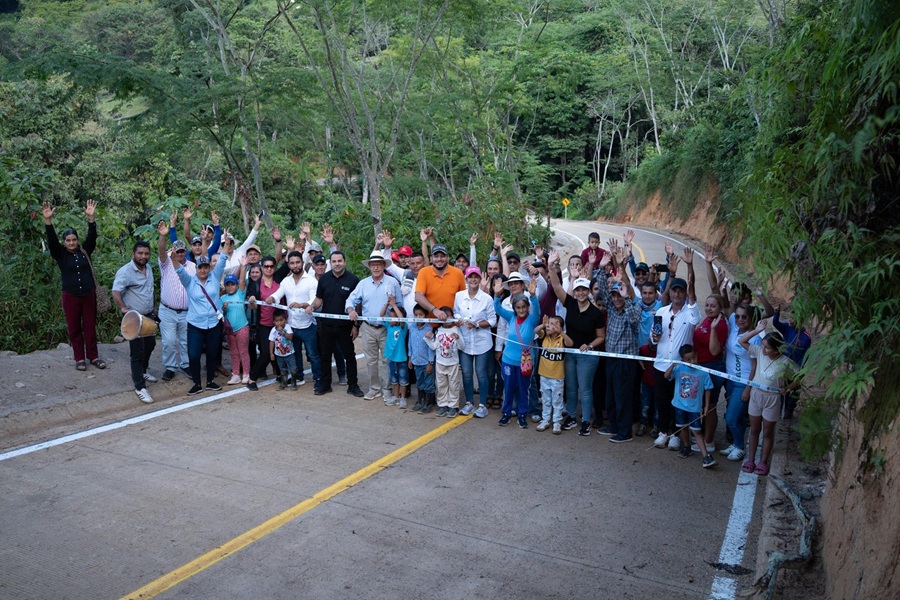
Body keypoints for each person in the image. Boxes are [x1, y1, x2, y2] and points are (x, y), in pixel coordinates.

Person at [42, 199, 106, 371]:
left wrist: (91, 219)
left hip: (88, 294)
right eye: (68, 240)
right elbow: (52, 241)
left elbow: (92, 238)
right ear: (65, 242)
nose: (71, 243)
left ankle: (93, 356)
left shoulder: (85, 251)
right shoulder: (60, 254)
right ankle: (79, 358)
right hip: (70, 296)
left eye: (74, 240)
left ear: (77, 240)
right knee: (74, 327)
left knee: (90, 326)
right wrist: (48, 221)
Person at [547, 253, 606, 436]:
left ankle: (586, 421)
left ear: (588, 292)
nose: (580, 293)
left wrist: (589, 345)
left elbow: (601, 336)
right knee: (571, 387)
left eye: (583, 290)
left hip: (587, 355)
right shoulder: (570, 304)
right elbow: (556, 286)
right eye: (578, 289)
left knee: (585, 389)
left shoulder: (595, 313)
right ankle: (571, 416)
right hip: (570, 353)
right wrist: (550, 265)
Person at [651, 247, 702, 450]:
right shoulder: (661, 312)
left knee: (678, 403)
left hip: (681, 367)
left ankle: (676, 434)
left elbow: (692, 291)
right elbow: (654, 339)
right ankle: (663, 431)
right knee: (662, 401)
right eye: (674, 290)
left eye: (681, 290)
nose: (677, 293)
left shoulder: (690, 314)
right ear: (670, 292)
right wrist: (654, 338)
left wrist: (690, 266)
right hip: (661, 365)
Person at [593, 250, 642, 443]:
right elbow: (603, 292)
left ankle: (624, 431)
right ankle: (612, 425)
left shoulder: (632, 308)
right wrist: (602, 270)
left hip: (626, 362)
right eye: (614, 296)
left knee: (623, 398)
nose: (615, 299)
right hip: (611, 360)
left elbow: (635, 320)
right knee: (611, 396)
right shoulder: (612, 309)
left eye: (618, 295)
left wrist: (627, 296)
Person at [739, 321, 799, 476]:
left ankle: (763, 461)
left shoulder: (785, 362)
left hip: (772, 398)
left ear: (777, 349)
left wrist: (788, 388)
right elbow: (741, 341)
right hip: (756, 395)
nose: (763, 349)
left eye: (767, 347)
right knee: (754, 429)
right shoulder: (759, 351)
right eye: (763, 345)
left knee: (767, 431)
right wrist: (757, 330)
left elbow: (800, 375)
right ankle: (751, 459)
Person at [346, 251, 402, 401]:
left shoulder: (393, 282)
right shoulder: (363, 284)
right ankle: (374, 388)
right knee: (370, 360)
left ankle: (387, 389)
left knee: (386, 359)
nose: (376, 267)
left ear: (384, 265)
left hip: (386, 328)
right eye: (373, 265)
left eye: (378, 264)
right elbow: (351, 299)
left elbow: (400, 304)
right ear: (369, 267)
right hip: (368, 327)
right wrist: (351, 310)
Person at [308, 251, 364, 397]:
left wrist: (356, 325)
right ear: (330, 263)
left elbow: (358, 305)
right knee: (325, 356)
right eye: (334, 261)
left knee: (350, 357)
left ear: (344, 261)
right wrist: (312, 306)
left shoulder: (353, 280)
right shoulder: (324, 279)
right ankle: (326, 385)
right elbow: (319, 299)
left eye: (340, 261)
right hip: (326, 326)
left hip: (345, 327)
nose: (337, 264)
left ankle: (353, 385)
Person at [175, 246, 230, 395]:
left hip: (213, 323)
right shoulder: (189, 281)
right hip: (195, 325)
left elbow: (222, 260)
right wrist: (173, 257)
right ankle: (197, 383)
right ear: (196, 268)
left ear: (209, 268)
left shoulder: (215, 277)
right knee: (193, 355)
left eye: (206, 267)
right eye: (200, 267)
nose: (203, 270)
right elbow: (179, 271)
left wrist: (227, 241)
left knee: (212, 354)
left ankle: (210, 381)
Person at [266, 251, 322, 390]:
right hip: (291, 325)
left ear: (302, 263)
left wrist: (304, 304)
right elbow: (279, 293)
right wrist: (272, 298)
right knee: (295, 353)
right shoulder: (286, 281)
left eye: (297, 262)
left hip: (308, 325)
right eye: (292, 263)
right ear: (289, 265)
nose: (295, 265)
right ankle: (299, 376)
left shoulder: (311, 281)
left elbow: (314, 299)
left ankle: (318, 379)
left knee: (313, 355)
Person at [112, 241, 157, 404]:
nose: (143, 256)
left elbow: (150, 290)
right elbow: (116, 292)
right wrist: (123, 308)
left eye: (146, 253)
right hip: (134, 318)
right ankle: (140, 387)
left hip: (148, 315)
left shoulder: (149, 268)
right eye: (140, 253)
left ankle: (143, 370)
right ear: (133, 254)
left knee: (151, 344)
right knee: (137, 352)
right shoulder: (125, 272)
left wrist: (154, 308)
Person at [493, 276, 540, 428]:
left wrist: (533, 296)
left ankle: (522, 414)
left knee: (523, 389)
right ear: (514, 308)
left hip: (525, 363)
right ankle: (506, 413)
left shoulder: (532, 319)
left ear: (527, 307)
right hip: (508, 360)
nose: (521, 310)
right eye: (518, 308)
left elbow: (537, 309)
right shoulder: (510, 317)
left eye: (523, 307)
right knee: (509, 387)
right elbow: (498, 308)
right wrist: (496, 295)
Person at [717, 303, 760, 461]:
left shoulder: (754, 338)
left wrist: (748, 388)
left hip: (743, 383)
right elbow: (725, 302)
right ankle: (736, 444)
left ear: (750, 318)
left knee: (731, 418)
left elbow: (755, 365)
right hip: (730, 380)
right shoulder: (734, 328)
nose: (740, 320)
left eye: (744, 317)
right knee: (739, 417)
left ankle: (740, 447)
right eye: (738, 316)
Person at [453, 265, 497, 419]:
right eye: (470, 277)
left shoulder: (487, 298)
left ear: (480, 279)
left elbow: (492, 320)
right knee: (466, 373)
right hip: (464, 342)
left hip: (482, 342)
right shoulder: (459, 296)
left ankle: (483, 404)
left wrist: (477, 324)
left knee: (481, 373)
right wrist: (458, 320)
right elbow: (455, 312)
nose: (473, 279)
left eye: (476, 277)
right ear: (466, 278)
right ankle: (469, 402)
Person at [665, 344, 717, 468]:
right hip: (679, 405)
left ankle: (706, 456)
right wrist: (672, 365)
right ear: (682, 359)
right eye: (688, 359)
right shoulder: (679, 369)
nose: (692, 361)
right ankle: (687, 447)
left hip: (694, 407)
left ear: (697, 356)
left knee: (697, 431)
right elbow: (666, 376)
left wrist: (706, 406)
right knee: (683, 427)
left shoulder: (703, 372)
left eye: (694, 358)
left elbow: (708, 388)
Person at [157, 218, 194, 381]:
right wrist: (163, 236)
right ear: (173, 251)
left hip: (187, 311)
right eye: (177, 251)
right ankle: (170, 367)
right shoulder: (166, 264)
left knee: (186, 341)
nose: (180, 254)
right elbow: (161, 250)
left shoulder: (193, 266)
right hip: (168, 311)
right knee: (169, 341)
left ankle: (185, 365)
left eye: (182, 251)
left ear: (185, 251)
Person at [245, 256, 281, 391]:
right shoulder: (256, 284)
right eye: (266, 266)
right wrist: (253, 301)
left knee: (279, 351)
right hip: (264, 325)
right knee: (266, 353)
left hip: (279, 323)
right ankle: (252, 379)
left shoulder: (278, 279)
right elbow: (253, 307)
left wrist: (281, 244)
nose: (269, 269)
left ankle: (279, 374)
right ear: (262, 268)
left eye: (271, 266)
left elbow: (288, 264)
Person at [425, 307, 465, 417]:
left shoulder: (456, 330)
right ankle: (442, 404)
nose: (447, 318)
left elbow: (462, 346)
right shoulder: (438, 331)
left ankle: (453, 406)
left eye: (449, 316)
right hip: (440, 363)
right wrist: (427, 338)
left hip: (453, 363)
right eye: (444, 316)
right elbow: (433, 347)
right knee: (441, 384)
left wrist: (458, 338)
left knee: (453, 385)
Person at [772, 304, 811, 419]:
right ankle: (780, 409)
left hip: (796, 366)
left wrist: (799, 368)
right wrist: (776, 314)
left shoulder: (806, 337)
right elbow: (776, 324)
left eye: (794, 317)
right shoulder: (787, 328)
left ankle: (789, 410)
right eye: (790, 316)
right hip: (784, 365)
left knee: (794, 389)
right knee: (782, 386)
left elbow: (805, 354)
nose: (790, 319)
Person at [534, 315, 571, 434]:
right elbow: (535, 331)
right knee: (546, 399)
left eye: (552, 324)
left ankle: (557, 422)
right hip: (544, 375)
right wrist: (543, 325)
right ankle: (545, 420)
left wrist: (562, 332)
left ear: (559, 327)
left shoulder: (561, 339)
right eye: (548, 323)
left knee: (557, 400)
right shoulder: (544, 336)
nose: (549, 326)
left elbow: (570, 343)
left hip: (557, 377)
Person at [414, 243, 466, 322]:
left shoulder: (458, 273)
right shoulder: (423, 272)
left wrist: (460, 318)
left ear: (447, 258)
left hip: (451, 325)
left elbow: (464, 299)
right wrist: (434, 310)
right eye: (436, 256)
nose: (439, 259)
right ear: (431, 258)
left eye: (442, 256)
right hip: (429, 325)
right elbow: (418, 296)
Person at [220, 261, 251, 385]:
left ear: (237, 285)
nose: (230, 287)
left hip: (242, 327)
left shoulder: (240, 294)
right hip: (229, 330)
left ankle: (246, 374)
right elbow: (221, 313)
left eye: (232, 284)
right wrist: (224, 308)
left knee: (243, 351)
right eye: (228, 285)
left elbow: (242, 280)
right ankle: (236, 374)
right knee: (233, 352)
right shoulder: (222, 298)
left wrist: (243, 266)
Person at [381, 296, 409, 407]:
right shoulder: (389, 326)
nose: (390, 319)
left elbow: (401, 319)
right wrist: (387, 304)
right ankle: (395, 396)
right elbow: (382, 315)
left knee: (403, 379)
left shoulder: (403, 327)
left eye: (393, 318)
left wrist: (394, 305)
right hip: (391, 358)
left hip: (401, 358)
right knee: (393, 379)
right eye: (390, 317)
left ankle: (403, 398)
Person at [408, 304, 437, 413]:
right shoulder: (412, 327)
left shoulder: (429, 329)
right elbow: (410, 343)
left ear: (426, 315)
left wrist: (430, 362)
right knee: (420, 382)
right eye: (416, 315)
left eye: (421, 315)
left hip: (426, 362)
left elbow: (431, 347)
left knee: (429, 382)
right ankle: (421, 401)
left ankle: (429, 402)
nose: (418, 317)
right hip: (416, 360)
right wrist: (410, 357)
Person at [268, 309, 298, 390]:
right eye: (277, 321)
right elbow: (271, 341)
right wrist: (271, 353)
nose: (279, 323)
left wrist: (282, 332)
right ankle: (283, 382)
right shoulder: (273, 330)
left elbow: (290, 337)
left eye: (281, 320)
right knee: (282, 369)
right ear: (274, 321)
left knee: (293, 369)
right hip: (279, 354)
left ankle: (294, 382)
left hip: (289, 353)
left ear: (285, 319)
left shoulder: (287, 327)